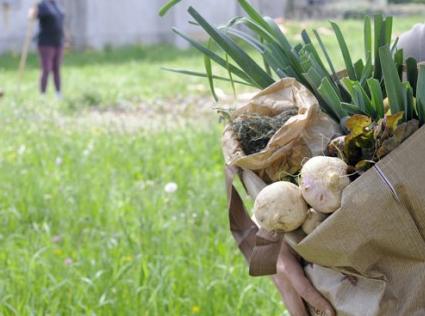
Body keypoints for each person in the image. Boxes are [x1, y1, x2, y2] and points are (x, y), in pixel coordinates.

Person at [28, 0, 65, 97]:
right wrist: (32, 12)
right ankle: (42, 94)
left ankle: (58, 93)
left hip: (58, 41)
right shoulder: (41, 5)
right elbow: (32, 17)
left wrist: (66, 37)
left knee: (57, 68)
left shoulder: (57, 5)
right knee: (46, 68)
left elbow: (60, 22)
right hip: (46, 42)